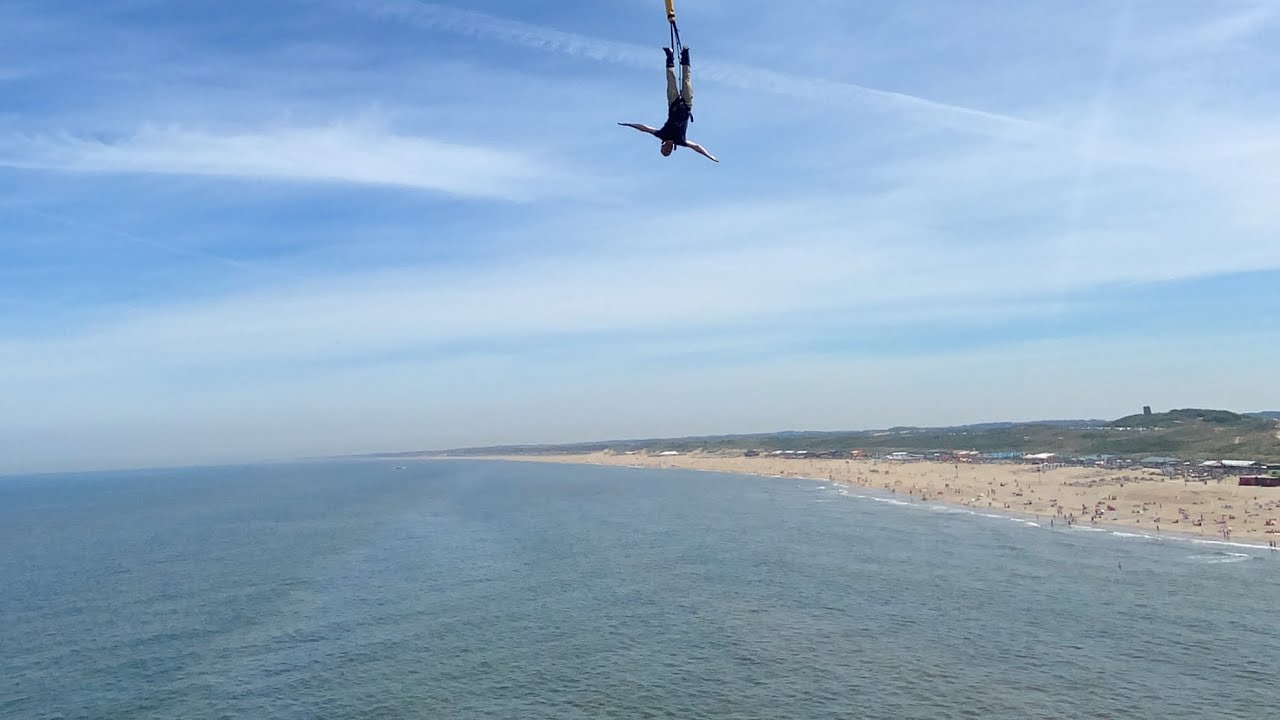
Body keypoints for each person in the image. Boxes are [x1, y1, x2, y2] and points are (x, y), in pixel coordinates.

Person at [619, 47, 719, 162]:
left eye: (665, 150)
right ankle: (685, 54)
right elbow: (696, 147)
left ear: (662, 146)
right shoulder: (681, 140)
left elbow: (644, 128)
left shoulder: (662, 134)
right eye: (668, 151)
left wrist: (629, 124)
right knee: (687, 80)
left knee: (671, 80)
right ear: (672, 150)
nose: (668, 149)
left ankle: (669, 55)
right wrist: (709, 156)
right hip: (686, 106)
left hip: (674, 104)